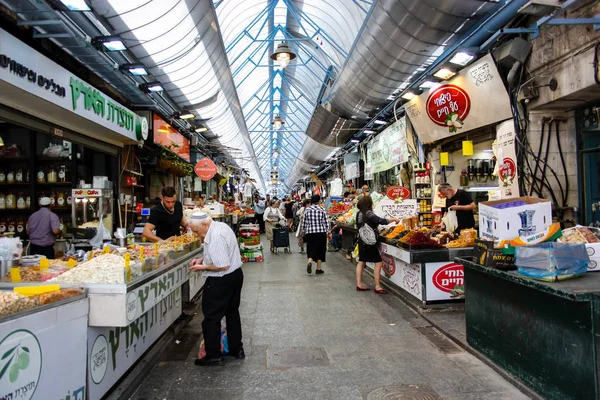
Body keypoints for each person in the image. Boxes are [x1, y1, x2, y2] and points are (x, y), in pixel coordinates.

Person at [189, 212, 244, 366]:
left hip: (222, 280)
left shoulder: (216, 237)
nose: (196, 234)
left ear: (205, 225)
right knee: (232, 312)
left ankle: (213, 355)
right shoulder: (220, 227)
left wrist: (203, 266)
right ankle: (236, 349)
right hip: (235, 275)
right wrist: (202, 259)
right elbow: (220, 255)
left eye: (197, 231)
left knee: (211, 317)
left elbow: (222, 265)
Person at [355, 195, 400, 293]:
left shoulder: (359, 213)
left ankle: (359, 284)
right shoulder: (368, 213)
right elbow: (380, 221)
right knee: (378, 262)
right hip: (370, 242)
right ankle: (378, 286)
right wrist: (393, 219)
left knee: (361, 261)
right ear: (368, 204)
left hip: (362, 240)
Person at [301, 195, 329, 275]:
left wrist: (303, 232)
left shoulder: (307, 210)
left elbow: (304, 222)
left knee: (311, 248)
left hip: (310, 233)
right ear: (319, 201)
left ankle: (309, 262)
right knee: (320, 250)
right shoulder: (322, 209)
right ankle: (318, 269)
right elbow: (326, 222)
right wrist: (328, 231)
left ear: (311, 202)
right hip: (321, 232)